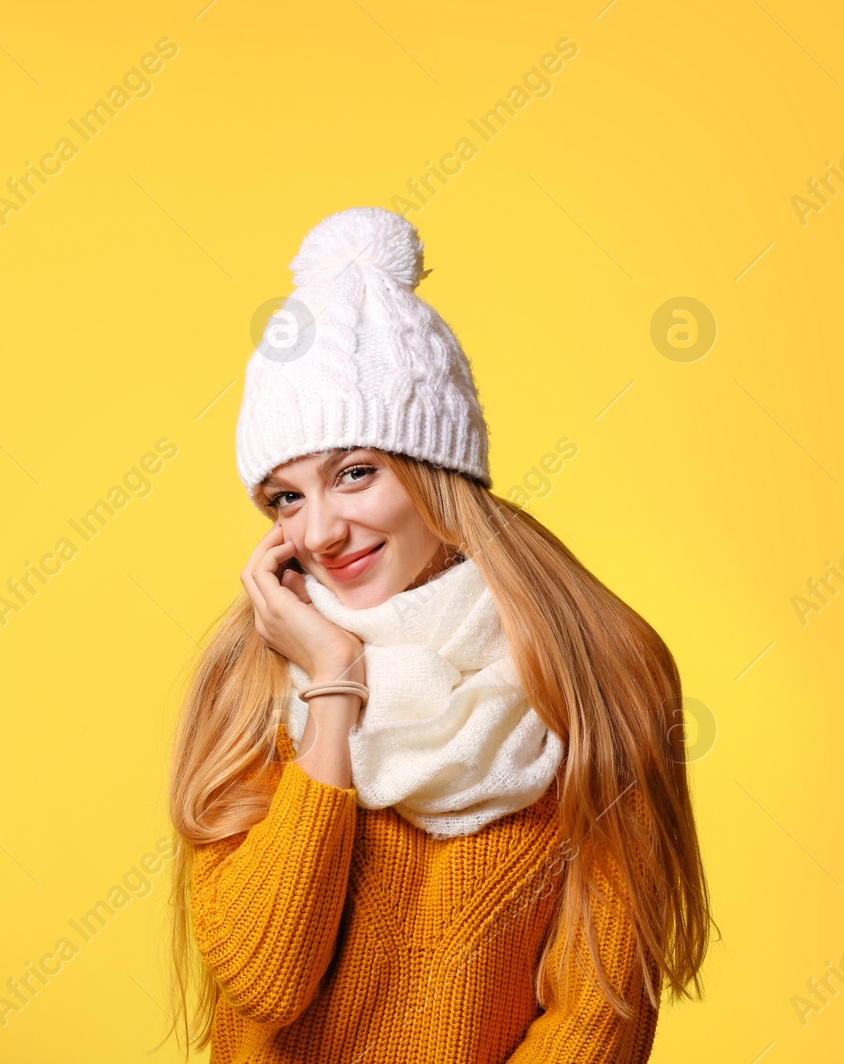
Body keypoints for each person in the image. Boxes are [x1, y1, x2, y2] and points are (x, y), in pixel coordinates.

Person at [164, 207, 712, 1062]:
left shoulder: (597, 677)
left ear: (434, 469)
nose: (319, 532)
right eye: (285, 497)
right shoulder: (253, 682)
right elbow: (265, 976)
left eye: (354, 473)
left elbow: (597, 1014)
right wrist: (335, 684)